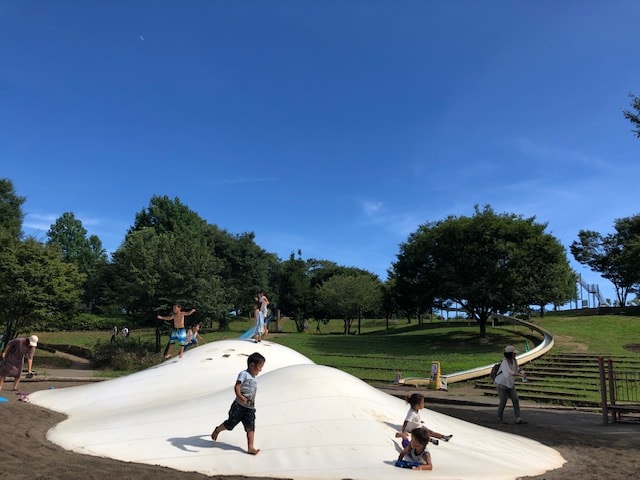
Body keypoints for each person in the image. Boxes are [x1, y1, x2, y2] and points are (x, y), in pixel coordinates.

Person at [211, 352, 266, 455]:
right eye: (260, 367)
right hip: (238, 407)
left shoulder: (254, 378)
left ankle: (250, 447)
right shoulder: (243, 374)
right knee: (230, 424)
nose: (260, 370)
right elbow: (237, 386)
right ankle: (218, 429)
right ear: (252, 365)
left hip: (249, 408)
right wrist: (240, 396)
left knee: (251, 426)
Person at [494, 345, 528, 424]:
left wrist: (520, 370)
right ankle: (499, 418)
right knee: (503, 400)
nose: (515, 355)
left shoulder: (514, 361)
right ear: (510, 354)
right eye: (513, 353)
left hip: (510, 384)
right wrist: (519, 374)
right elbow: (507, 373)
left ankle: (518, 418)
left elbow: (516, 369)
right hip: (501, 384)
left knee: (515, 399)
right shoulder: (504, 362)